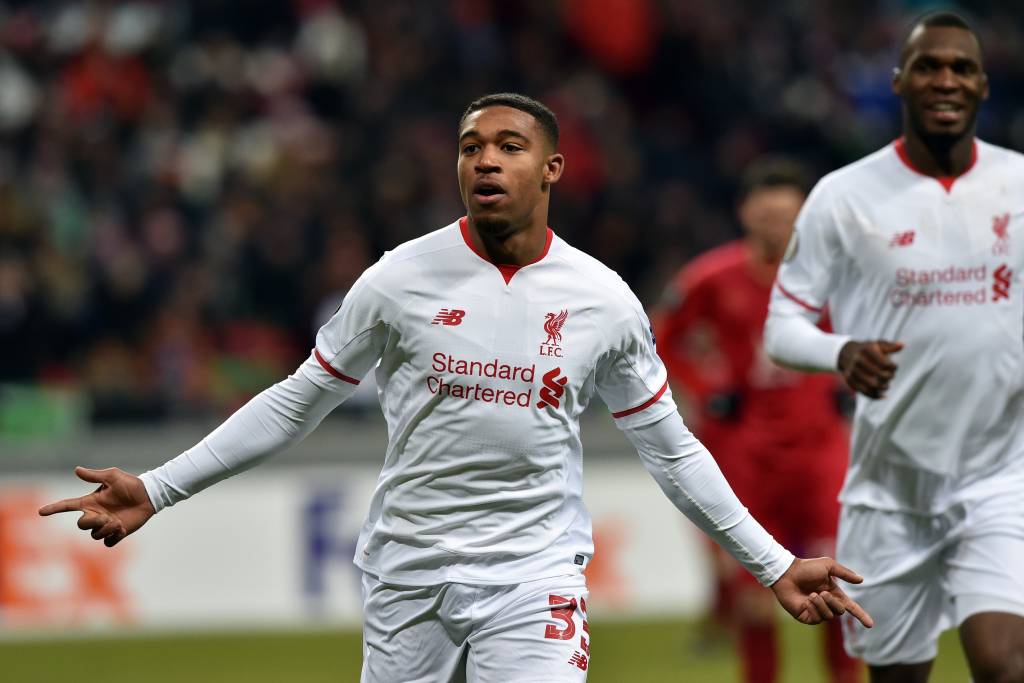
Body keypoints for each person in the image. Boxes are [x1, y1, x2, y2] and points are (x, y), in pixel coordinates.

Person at [40, 93, 871, 682]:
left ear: (551, 167)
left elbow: (671, 450)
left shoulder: (602, 299)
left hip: (536, 575)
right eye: (472, 146)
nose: (486, 159)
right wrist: (159, 485)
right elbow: (298, 399)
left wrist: (771, 563)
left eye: (508, 145)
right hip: (410, 569)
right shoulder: (400, 278)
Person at [764, 12, 1024, 683]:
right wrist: (842, 351)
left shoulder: (1017, 183)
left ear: (983, 86)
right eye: (929, 66)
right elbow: (783, 326)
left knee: (1004, 662)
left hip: (1001, 476)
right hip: (888, 492)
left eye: (961, 68)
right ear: (899, 82)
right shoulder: (844, 196)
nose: (946, 80)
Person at [656, 158, 859, 683]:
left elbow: (872, 335)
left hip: (819, 453)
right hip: (745, 455)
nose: (775, 224)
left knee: (837, 588)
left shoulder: (834, 275)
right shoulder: (710, 276)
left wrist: (847, 385)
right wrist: (707, 388)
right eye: (765, 212)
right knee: (754, 599)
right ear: (745, 212)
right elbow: (660, 338)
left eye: (786, 213)